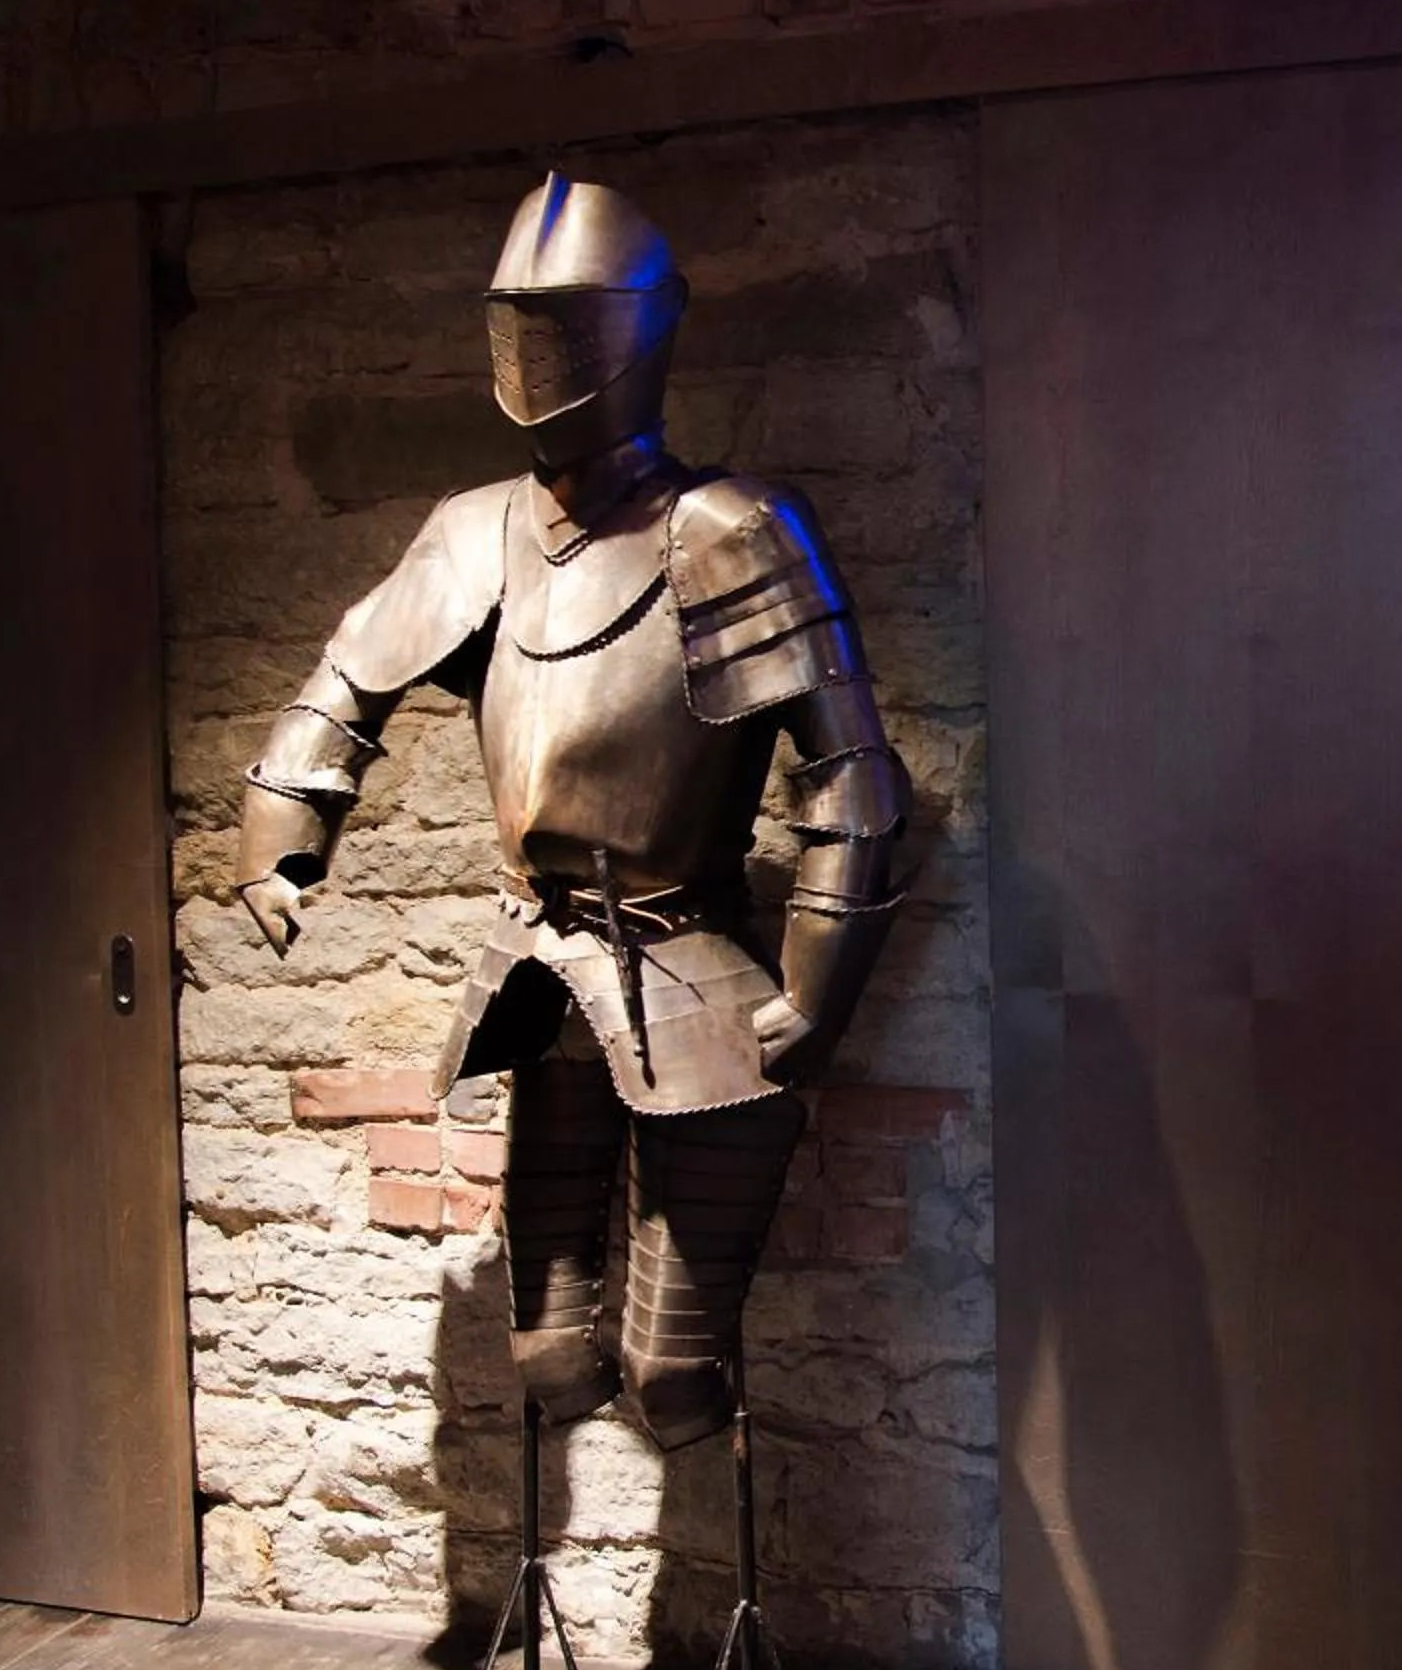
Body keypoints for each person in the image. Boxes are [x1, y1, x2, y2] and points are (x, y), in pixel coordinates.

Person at [234, 172, 908, 1446]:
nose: (547, 357)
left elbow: (852, 777)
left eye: (573, 322)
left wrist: (821, 982)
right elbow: (342, 686)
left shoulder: (728, 527)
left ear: (648, 325)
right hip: (539, 972)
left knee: (675, 1374)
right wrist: (283, 844)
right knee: (548, 1354)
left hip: (690, 961)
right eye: (523, 324)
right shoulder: (474, 529)